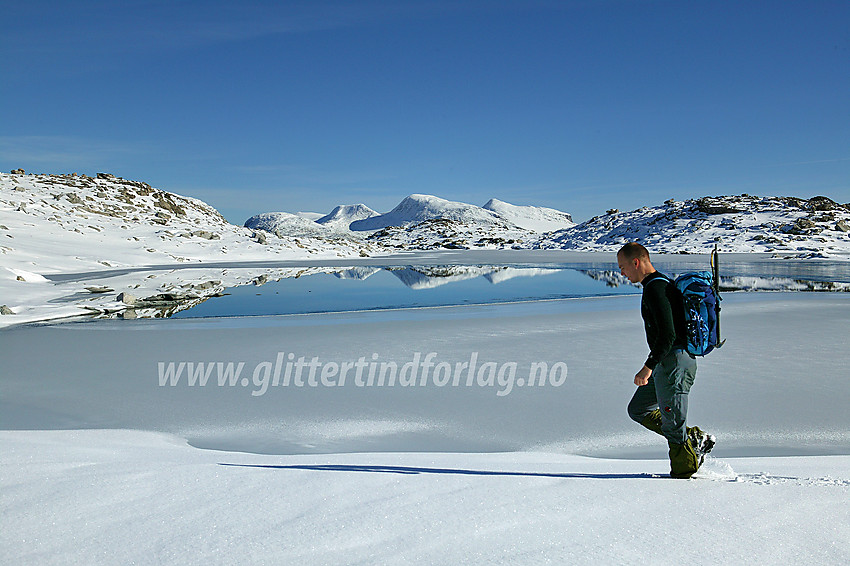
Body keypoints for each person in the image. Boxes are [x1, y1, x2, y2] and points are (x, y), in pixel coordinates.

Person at [617, 242, 714, 478]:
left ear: (636, 262)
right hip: (666, 362)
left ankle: (683, 476)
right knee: (638, 409)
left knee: (673, 425)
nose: (621, 273)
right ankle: (694, 438)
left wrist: (647, 367)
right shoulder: (655, 285)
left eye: (622, 267)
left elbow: (668, 335)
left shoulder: (656, 288)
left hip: (674, 364)